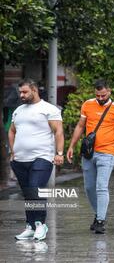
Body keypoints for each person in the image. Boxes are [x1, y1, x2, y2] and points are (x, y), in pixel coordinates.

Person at [67, 79, 114, 234]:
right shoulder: (87, 105)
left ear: (109, 91)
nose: (101, 98)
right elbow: (80, 126)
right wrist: (71, 146)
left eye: (103, 95)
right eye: (98, 95)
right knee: (89, 187)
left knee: (101, 186)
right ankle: (99, 213)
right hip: (89, 153)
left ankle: (100, 221)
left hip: (107, 153)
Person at [8, 79, 64, 241]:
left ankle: (41, 224)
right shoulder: (18, 110)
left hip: (42, 157)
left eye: (25, 92)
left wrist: (59, 153)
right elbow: (12, 131)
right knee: (28, 193)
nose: (21, 95)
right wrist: (13, 151)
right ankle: (30, 226)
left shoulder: (49, 109)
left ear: (34, 90)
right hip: (19, 160)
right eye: (20, 92)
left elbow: (58, 132)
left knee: (35, 189)